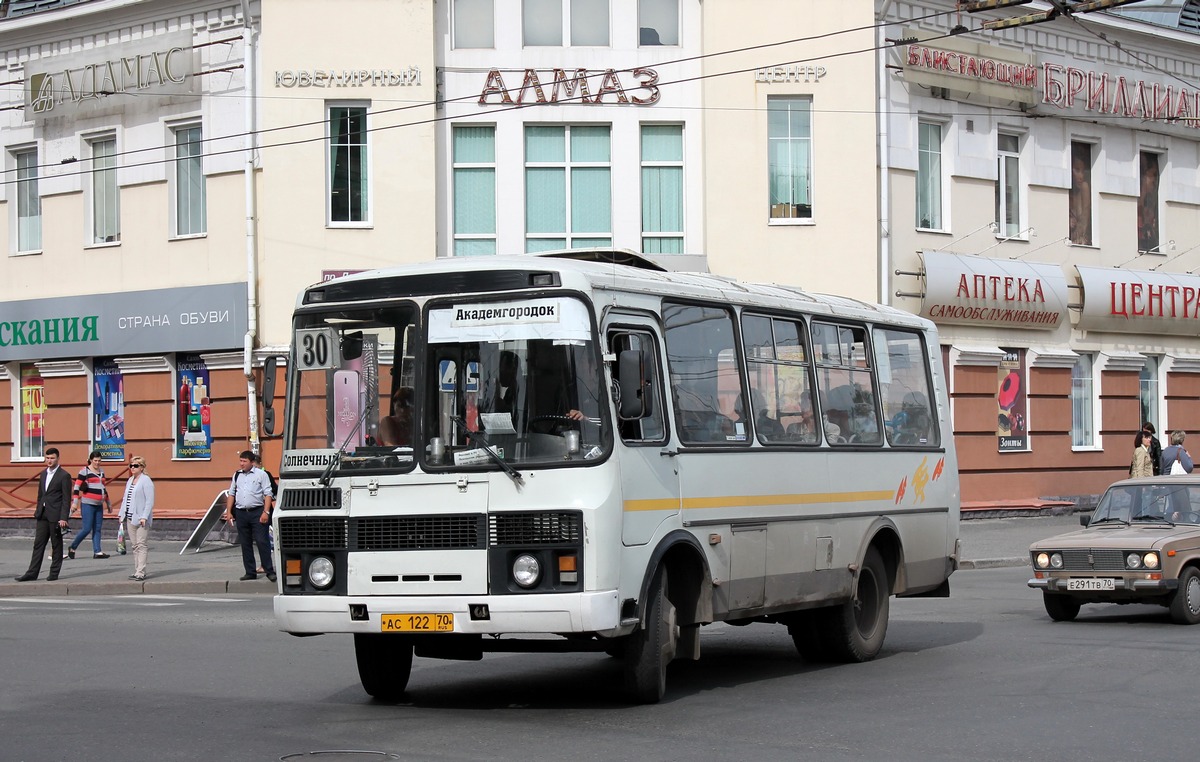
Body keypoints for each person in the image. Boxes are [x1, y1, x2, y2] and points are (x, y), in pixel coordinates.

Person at [15, 447, 73, 582]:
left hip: (56, 515)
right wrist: (38, 510)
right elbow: (41, 495)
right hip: (43, 514)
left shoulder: (64, 475)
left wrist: (63, 517)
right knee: (38, 544)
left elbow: (66, 498)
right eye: (47, 458)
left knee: (56, 544)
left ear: (58, 459)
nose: (49, 460)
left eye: (52, 458)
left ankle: (54, 573)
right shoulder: (43, 474)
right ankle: (31, 573)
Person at [223, 450, 276, 582]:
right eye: (240, 461)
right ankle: (250, 571)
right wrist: (229, 511)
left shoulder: (261, 475)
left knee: (261, 541)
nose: (241, 464)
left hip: (257, 512)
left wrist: (266, 512)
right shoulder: (237, 475)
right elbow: (231, 494)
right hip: (241, 513)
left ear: (252, 462)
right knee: (245, 543)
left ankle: (269, 570)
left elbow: (268, 494)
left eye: (244, 461)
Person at [67, 450, 113, 560]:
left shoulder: (102, 471)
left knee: (97, 528)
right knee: (87, 528)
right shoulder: (84, 471)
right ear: (91, 460)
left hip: (99, 504)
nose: (97, 463)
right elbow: (77, 487)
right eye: (95, 460)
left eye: (99, 461)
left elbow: (103, 488)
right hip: (88, 503)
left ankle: (97, 551)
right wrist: (75, 503)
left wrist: (108, 503)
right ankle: (73, 547)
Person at [119, 455, 155, 581]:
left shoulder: (146, 481)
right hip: (130, 517)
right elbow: (125, 498)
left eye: (135, 466)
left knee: (141, 545)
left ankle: (141, 571)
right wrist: (121, 513)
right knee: (134, 546)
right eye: (131, 465)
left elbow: (149, 501)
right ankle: (136, 570)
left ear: (142, 467)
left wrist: (144, 516)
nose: (132, 468)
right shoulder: (130, 480)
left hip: (141, 519)